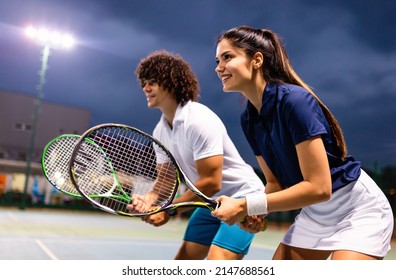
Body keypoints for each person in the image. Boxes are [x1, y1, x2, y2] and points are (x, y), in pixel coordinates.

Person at [211, 26, 394, 260]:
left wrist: (244, 205)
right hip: (315, 214)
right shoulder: (249, 119)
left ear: (257, 60)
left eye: (227, 57)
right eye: (218, 60)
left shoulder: (295, 101)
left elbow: (319, 188)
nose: (219, 67)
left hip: (358, 210)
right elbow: (274, 183)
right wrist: (257, 212)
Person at [132, 50, 265, 260]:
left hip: (244, 196)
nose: (145, 88)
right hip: (209, 202)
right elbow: (165, 179)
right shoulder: (160, 131)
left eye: (152, 82)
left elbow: (211, 181)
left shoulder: (198, 119)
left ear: (171, 83)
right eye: (144, 83)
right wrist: (149, 201)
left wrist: (169, 210)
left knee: (217, 262)